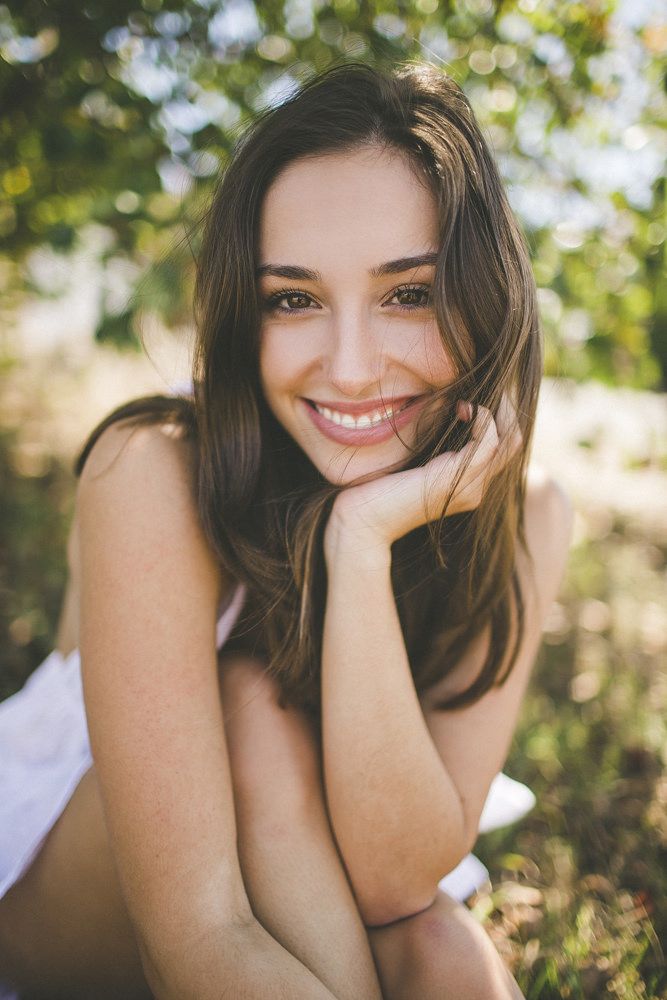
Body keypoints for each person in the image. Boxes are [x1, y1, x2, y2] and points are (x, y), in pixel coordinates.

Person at [0, 60, 572, 999]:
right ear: (244, 312)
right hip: (87, 888)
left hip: (327, 867)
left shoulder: (528, 515)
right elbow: (193, 938)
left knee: (440, 954)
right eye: (293, 299)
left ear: (486, 295)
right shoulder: (154, 467)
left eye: (409, 293)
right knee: (253, 710)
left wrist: (359, 543)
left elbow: (398, 880)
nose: (349, 370)